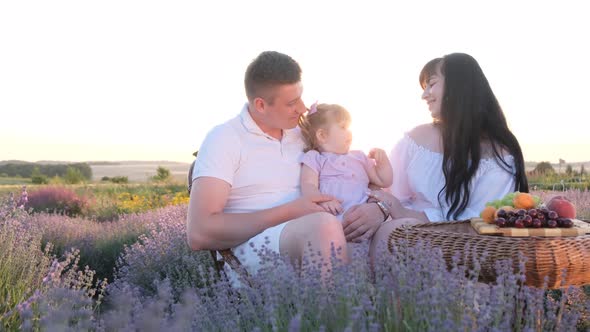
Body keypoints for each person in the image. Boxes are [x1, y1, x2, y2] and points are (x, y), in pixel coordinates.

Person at [186, 51, 348, 276]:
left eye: (300, 97)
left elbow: (348, 169)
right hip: (258, 247)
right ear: (261, 105)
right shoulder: (224, 138)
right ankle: (332, 312)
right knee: (324, 228)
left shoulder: (303, 133)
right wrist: (290, 211)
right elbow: (199, 232)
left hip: (325, 223)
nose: (302, 108)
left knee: (398, 231)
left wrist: (378, 208)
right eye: (291, 103)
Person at [367, 52, 529, 258]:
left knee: (402, 231)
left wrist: (410, 214)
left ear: (459, 87)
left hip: (466, 254)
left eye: (431, 84)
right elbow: (390, 193)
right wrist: (381, 208)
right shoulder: (415, 140)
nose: (424, 95)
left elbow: (480, 220)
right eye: (424, 87)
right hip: (398, 237)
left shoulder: (500, 153)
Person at [298, 102, 393, 220]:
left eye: (349, 127)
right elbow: (308, 185)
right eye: (343, 127)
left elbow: (383, 181)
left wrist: (382, 161)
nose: (349, 132)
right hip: (333, 217)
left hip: (365, 220)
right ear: (322, 135)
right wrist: (323, 201)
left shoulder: (359, 157)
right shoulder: (315, 158)